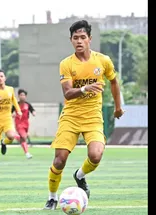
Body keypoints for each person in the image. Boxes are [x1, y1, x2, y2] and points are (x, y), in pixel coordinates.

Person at [43, 20, 125, 210]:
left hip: (93, 117)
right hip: (70, 117)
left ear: (89, 39)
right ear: (71, 40)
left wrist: (118, 107)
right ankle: (52, 198)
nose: (79, 41)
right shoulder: (66, 64)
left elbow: (114, 82)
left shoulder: (103, 61)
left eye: (82, 37)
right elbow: (68, 93)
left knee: (96, 155)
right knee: (59, 159)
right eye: (75, 38)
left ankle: (80, 175)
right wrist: (86, 88)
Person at [11, 89, 35, 159]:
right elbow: (10, 112)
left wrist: (34, 113)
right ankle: (27, 153)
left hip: (26, 123)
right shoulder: (16, 105)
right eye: (21, 95)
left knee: (23, 139)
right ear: (18, 96)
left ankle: (14, 136)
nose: (22, 96)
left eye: (24, 95)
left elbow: (32, 110)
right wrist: (12, 115)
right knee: (24, 137)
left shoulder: (28, 104)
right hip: (19, 123)